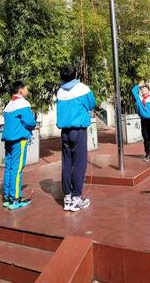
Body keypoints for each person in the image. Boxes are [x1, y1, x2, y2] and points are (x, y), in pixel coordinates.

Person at [56, 65, 96, 212]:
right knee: (79, 164)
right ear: (76, 74)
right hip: (78, 131)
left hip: (65, 132)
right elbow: (92, 104)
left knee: (67, 163)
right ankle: (76, 199)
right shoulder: (82, 88)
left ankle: (67, 198)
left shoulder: (59, 91)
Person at [2, 80, 37, 210]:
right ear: (21, 90)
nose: (27, 90)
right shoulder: (23, 103)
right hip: (19, 139)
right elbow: (30, 122)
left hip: (8, 140)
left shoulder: (9, 104)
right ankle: (16, 198)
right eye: (26, 88)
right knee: (17, 169)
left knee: (9, 168)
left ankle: (7, 197)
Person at [132, 83, 150, 162]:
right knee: (145, 138)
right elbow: (133, 91)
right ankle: (147, 153)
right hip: (143, 120)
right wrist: (139, 85)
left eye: (144, 89)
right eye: (141, 89)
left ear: (148, 90)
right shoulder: (139, 99)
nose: (142, 90)